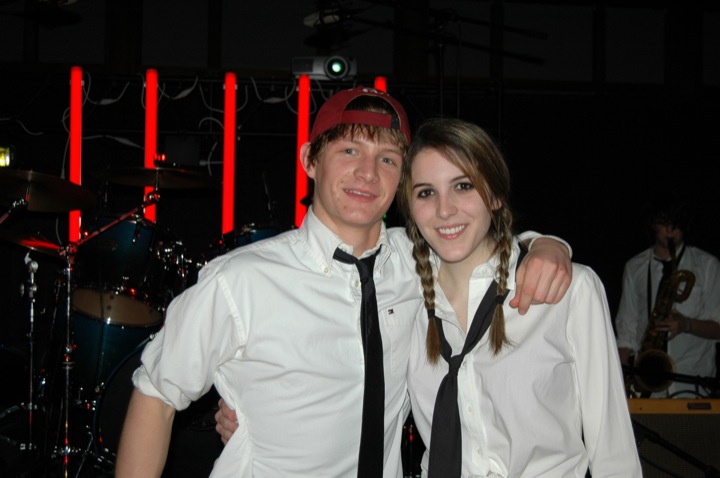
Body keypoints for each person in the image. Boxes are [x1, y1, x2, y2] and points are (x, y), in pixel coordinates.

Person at [115, 86, 572, 478]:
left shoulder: (417, 263)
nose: (368, 173)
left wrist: (546, 245)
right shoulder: (240, 281)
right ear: (310, 160)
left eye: (387, 158)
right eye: (349, 150)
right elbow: (156, 394)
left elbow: (482, 244)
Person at [397, 118, 641, 476]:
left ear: (496, 196)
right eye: (426, 193)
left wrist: (545, 244)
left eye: (463, 186)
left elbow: (613, 450)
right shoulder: (401, 295)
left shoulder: (569, 291)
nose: (444, 209)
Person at [615, 192, 720, 398]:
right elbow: (626, 332)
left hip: (694, 385)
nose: (670, 230)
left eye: (676, 223)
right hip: (647, 387)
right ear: (653, 225)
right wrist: (621, 384)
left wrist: (686, 325)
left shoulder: (708, 265)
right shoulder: (634, 267)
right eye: (664, 223)